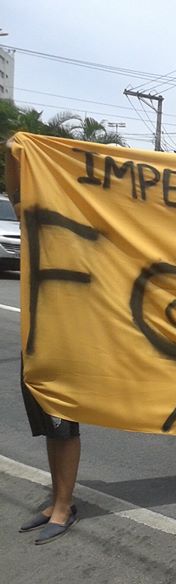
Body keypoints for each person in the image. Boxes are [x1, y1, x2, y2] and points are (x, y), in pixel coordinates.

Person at [5, 142, 81, 545]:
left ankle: (65, 506)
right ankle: (57, 500)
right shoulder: (33, 217)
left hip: (66, 335)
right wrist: (13, 152)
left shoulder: (83, 227)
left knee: (61, 421)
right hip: (36, 335)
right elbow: (15, 192)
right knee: (47, 424)